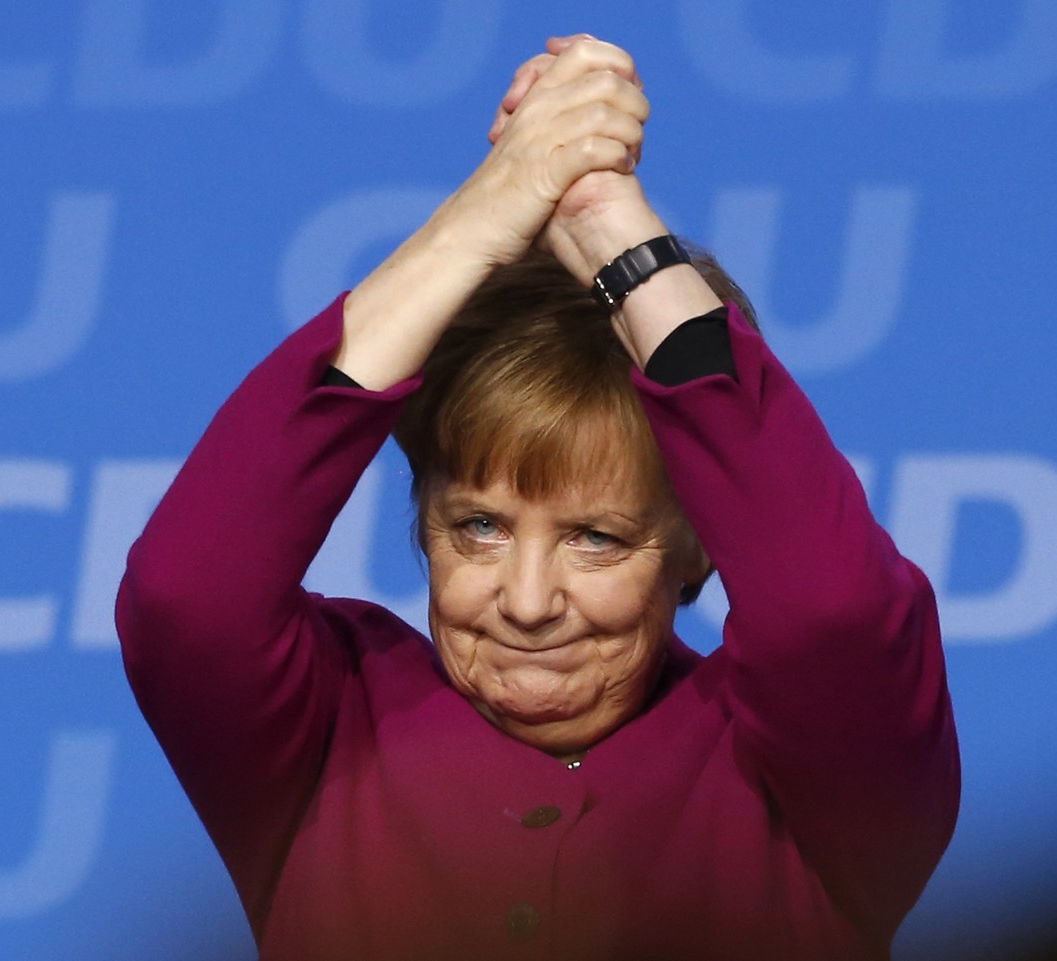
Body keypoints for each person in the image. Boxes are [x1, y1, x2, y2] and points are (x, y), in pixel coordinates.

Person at [117, 34, 959, 961]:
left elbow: (833, 609)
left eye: (596, 538)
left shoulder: (809, 769)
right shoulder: (328, 725)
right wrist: (484, 217)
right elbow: (185, 595)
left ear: (704, 542)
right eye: (478, 526)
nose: (525, 603)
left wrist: (612, 229)